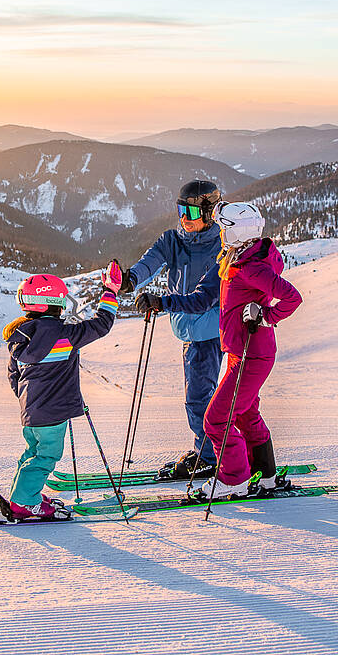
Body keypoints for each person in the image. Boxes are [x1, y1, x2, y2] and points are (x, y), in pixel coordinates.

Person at [137, 201, 302, 498]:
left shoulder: (250, 268)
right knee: (245, 414)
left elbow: (292, 297)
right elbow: (202, 299)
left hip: (252, 354)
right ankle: (264, 475)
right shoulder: (233, 260)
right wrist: (163, 302)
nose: (220, 233)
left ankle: (233, 479)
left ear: (238, 232)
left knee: (216, 419)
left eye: (225, 229)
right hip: (241, 352)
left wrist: (265, 316)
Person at [117, 180, 223, 479]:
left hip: (209, 331)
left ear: (209, 213)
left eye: (190, 212)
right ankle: (210, 448)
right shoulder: (172, 240)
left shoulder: (221, 246)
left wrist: (162, 302)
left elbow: (206, 298)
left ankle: (209, 455)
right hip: (187, 329)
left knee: (199, 396)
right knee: (202, 394)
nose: (184, 218)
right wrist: (130, 280)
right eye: (180, 210)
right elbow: (149, 263)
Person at [0, 263, 121, 521]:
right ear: (53, 302)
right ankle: (24, 502)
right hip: (52, 414)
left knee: (32, 453)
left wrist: (29, 402)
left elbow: (14, 378)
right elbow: (101, 325)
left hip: (31, 413)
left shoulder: (19, 337)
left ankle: (22, 494)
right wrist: (110, 291)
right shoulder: (64, 335)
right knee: (47, 456)